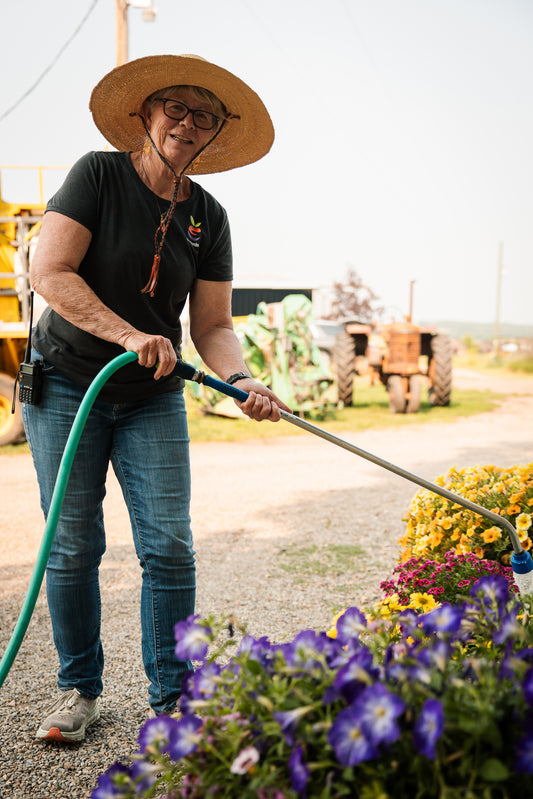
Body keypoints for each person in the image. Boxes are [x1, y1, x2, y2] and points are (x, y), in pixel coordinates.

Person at [23, 54, 290, 742]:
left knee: (169, 545)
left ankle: (174, 700)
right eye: (175, 107)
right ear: (145, 114)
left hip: (152, 396)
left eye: (203, 115)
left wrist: (242, 380)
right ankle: (79, 691)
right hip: (65, 384)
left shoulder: (209, 217)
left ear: (213, 134)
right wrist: (125, 332)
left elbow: (212, 326)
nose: (187, 122)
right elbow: (48, 271)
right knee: (74, 545)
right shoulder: (97, 175)